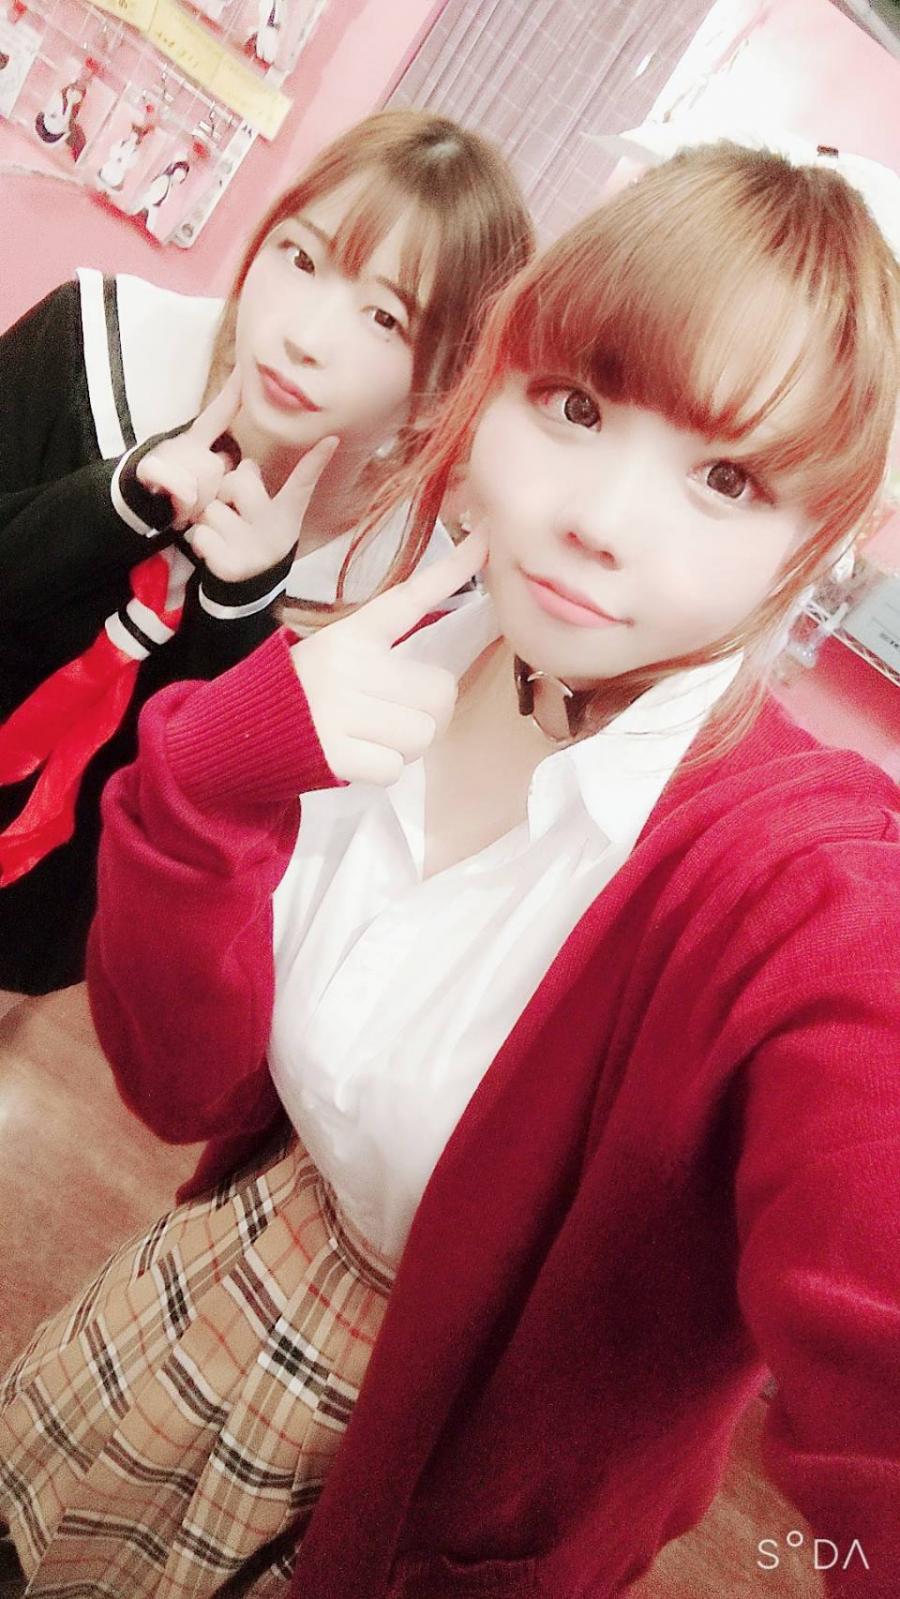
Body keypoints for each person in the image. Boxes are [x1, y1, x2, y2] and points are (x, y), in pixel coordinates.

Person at [3, 140, 900, 1598]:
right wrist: (216, 775)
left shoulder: (805, 884)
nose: (595, 519)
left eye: (727, 478)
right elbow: (183, 1090)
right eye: (576, 405)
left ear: (827, 540)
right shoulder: (406, 647)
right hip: (183, 1312)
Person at [0, 107, 534, 999]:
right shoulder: (95, 339)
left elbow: (219, 822)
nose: (303, 337)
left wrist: (239, 607)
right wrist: (113, 502)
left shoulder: (405, 592)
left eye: (385, 318)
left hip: (52, 942)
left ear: (446, 379)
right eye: (301, 258)